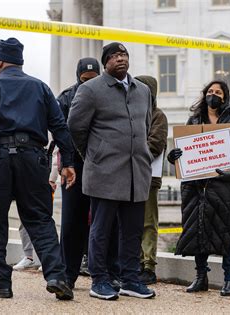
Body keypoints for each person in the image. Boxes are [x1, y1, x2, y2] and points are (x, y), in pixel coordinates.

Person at [0, 37, 76, 300]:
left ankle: (0, 282)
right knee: (39, 219)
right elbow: (60, 127)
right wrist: (67, 162)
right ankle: (57, 275)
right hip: (34, 160)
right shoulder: (41, 88)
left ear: (0, 62)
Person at [68, 42, 155, 300]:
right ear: (105, 62)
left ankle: (130, 279)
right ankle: (99, 280)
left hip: (135, 173)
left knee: (132, 230)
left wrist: (144, 153)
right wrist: (94, 153)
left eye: (124, 55)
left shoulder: (143, 91)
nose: (121, 59)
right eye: (115, 56)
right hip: (104, 171)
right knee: (101, 229)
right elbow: (75, 127)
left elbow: (146, 124)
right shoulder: (90, 90)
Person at [167, 80, 230, 296]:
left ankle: (229, 279)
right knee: (199, 231)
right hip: (197, 187)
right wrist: (174, 157)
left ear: (225, 96)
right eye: (210, 91)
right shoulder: (194, 120)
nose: (213, 95)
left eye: (218, 92)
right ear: (204, 94)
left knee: (227, 232)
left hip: (224, 187)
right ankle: (200, 277)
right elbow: (184, 152)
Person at [57, 57, 100, 288]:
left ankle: (102, 274)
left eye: (93, 80)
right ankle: (68, 274)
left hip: (101, 166)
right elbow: (60, 132)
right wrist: (66, 163)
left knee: (103, 222)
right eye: (84, 80)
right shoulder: (65, 98)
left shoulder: (109, 94)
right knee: (72, 220)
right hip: (74, 166)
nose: (88, 85)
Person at [134, 76, 168, 285]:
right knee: (131, 222)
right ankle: (135, 261)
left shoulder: (158, 116)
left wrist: (131, 154)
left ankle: (148, 265)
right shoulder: (131, 112)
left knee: (148, 222)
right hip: (129, 175)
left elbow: (155, 144)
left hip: (148, 177)